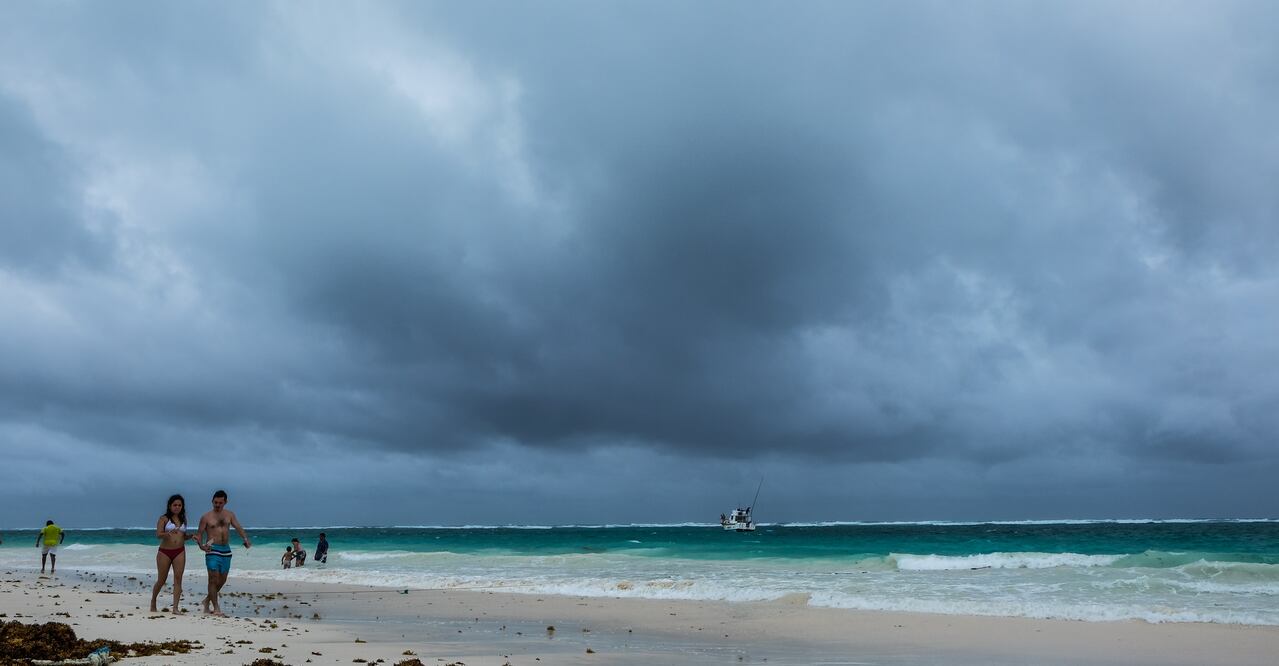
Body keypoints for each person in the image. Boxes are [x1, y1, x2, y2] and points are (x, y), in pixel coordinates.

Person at [195, 489, 251, 616]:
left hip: (226, 550)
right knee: (213, 579)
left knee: (222, 579)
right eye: (215, 502)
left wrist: (245, 539)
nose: (217, 505)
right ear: (212, 501)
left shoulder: (229, 515)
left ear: (225, 502)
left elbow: (238, 527)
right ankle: (216, 608)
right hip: (212, 550)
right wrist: (201, 546)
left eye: (220, 502)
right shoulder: (206, 517)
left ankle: (207, 601)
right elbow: (199, 534)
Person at [150, 494, 194, 613]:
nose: (177, 507)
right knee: (161, 580)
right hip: (164, 552)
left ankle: (175, 608)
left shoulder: (183, 519)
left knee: (178, 578)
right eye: (175, 505)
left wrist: (191, 536)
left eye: (179, 505)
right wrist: (167, 533)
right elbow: (158, 534)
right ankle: (153, 601)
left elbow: (182, 536)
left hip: (179, 551)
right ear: (170, 506)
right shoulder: (163, 519)